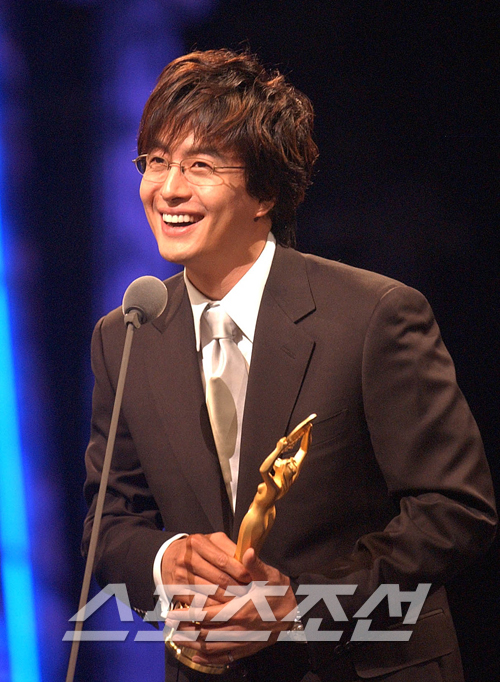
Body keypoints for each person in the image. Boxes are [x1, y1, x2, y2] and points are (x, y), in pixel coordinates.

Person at [83, 49, 497, 682]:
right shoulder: (126, 336)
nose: (168, 188)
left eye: (201, 165)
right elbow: (109, 523)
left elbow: (454, 509)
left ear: (266, 192)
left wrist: (300, 607)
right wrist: (169, 559)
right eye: (157, 161)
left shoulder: (374, 316)